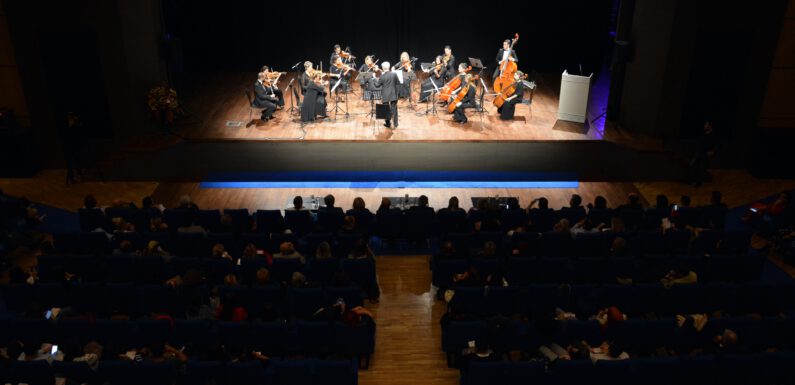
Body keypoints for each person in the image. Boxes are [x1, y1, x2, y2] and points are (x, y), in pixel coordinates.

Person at [689, 120, 718, 187]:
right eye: (705, 124)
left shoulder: (713, 135)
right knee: (693, 165)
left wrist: (713, 151)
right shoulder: (703, 133)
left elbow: (717, 145)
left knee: (701, 168)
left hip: (705, 154)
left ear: (710, 126)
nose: (704, 126)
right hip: (699, 152)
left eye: (706, 125)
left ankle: (698, 182)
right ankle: (692, 180)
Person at [62, 111, 85, 186]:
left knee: (77, 160)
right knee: (70, 163)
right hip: (68, 146)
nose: (70, 117)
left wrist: (76, 123)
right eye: (69, 115)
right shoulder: (64, 125)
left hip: (75, 145)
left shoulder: (76, 124)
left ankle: (79, 174)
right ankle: (71, 178)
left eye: (71, 115)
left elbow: (80, 130)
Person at [374, 62, 399, 129]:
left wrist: (374, 78)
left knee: (385, 109)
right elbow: (398, 82)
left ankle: (388, 123)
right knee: (394, 109)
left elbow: (377, 85)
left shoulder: (382, 76)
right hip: (393, 94)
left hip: (385, 95)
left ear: (382, 68)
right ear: (389, 67)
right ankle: (395, 124)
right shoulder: (394, 74)